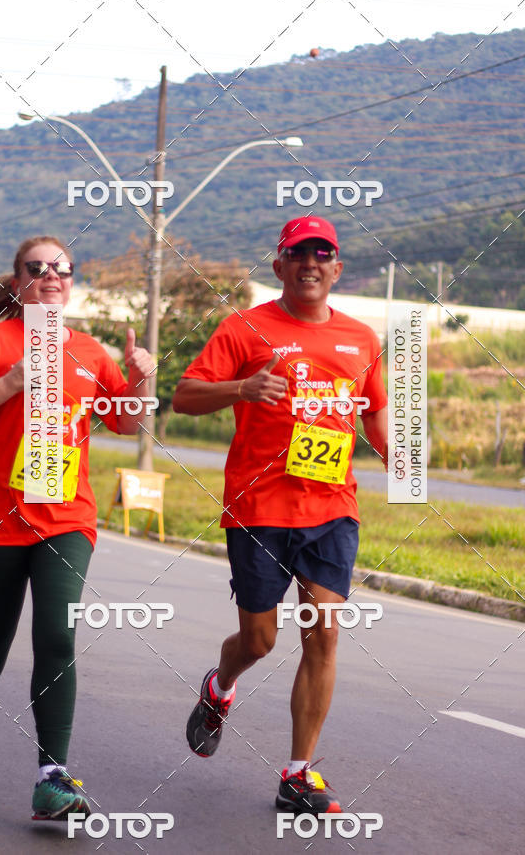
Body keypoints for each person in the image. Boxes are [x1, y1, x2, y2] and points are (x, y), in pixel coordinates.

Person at [172, 216, 388, 814]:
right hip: (258, 506)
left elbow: (374, 412)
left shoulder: (362, 339)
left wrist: (400, 456)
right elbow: (184, 396)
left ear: (337, 268)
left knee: (323, 632)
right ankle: (220, 686)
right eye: (299, 254)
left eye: (323, 254)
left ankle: (297, 774)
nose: (311, 263)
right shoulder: (245, 328)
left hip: (331, 507)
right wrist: (240, 390)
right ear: (280, 265)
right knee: (260, 640)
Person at [0, 235, 155, 820]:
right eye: (38, 268)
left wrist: (140, 381)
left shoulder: (90, 351)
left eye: (62, 267)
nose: (51, 275)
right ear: (18, 281)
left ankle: (51, 778)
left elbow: (126, 423)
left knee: (57, 636)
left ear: (71, 279)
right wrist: (10, 383)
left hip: (66, 518)